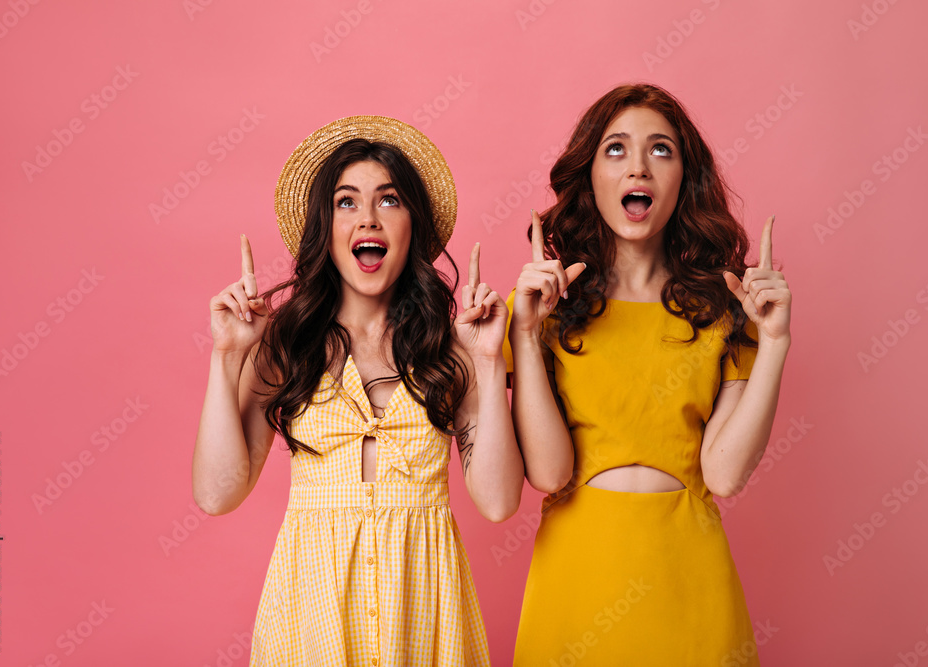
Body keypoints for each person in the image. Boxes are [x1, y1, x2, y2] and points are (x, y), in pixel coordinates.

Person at [192, 116, 522, 666]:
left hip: (425, 619)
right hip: (310, 619)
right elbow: (216, 494)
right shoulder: (286, 346)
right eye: (346, 202)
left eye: (389, 200)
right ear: (326, 226)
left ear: (412, 224)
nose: (368, 217)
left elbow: (498, 502)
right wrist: (227, 357)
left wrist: (488, 366)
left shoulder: (452, 347)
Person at [503, 84, 792, 665]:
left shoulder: (726, 309)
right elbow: (549, 471)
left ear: (685, 178)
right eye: (615, 150)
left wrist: (776, 342)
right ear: (590, 178)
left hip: (691, 587)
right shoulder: (541, 308)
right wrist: (527, 336)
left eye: (661, 150)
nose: (638, 165)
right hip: (576, 585)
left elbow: (725, 474)